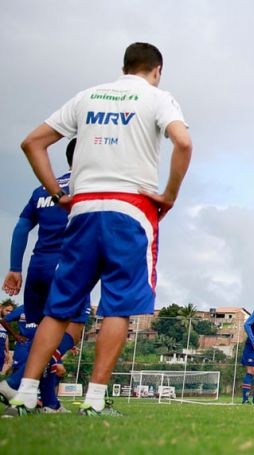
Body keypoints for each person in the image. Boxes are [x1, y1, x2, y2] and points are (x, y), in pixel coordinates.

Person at [6, 42, 192, 418]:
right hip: (132, 207)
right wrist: (168, 195)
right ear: (157, 70)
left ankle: (24, 393)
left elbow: (32, 142)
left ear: (123, 67)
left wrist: (60, 193)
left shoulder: (86, 96)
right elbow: (183, 142)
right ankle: (94, 400)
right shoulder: (158, 98)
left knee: (59, 308)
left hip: (84, 207)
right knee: (117, 307)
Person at [1, 139, 91, 409]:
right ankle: (14, 383)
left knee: (40, 334)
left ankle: (49, 402)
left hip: (37, 266)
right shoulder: (87, 187)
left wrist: (15, 268)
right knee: (70, 330)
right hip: (67, 267)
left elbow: (20, 227)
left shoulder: (43, 188)